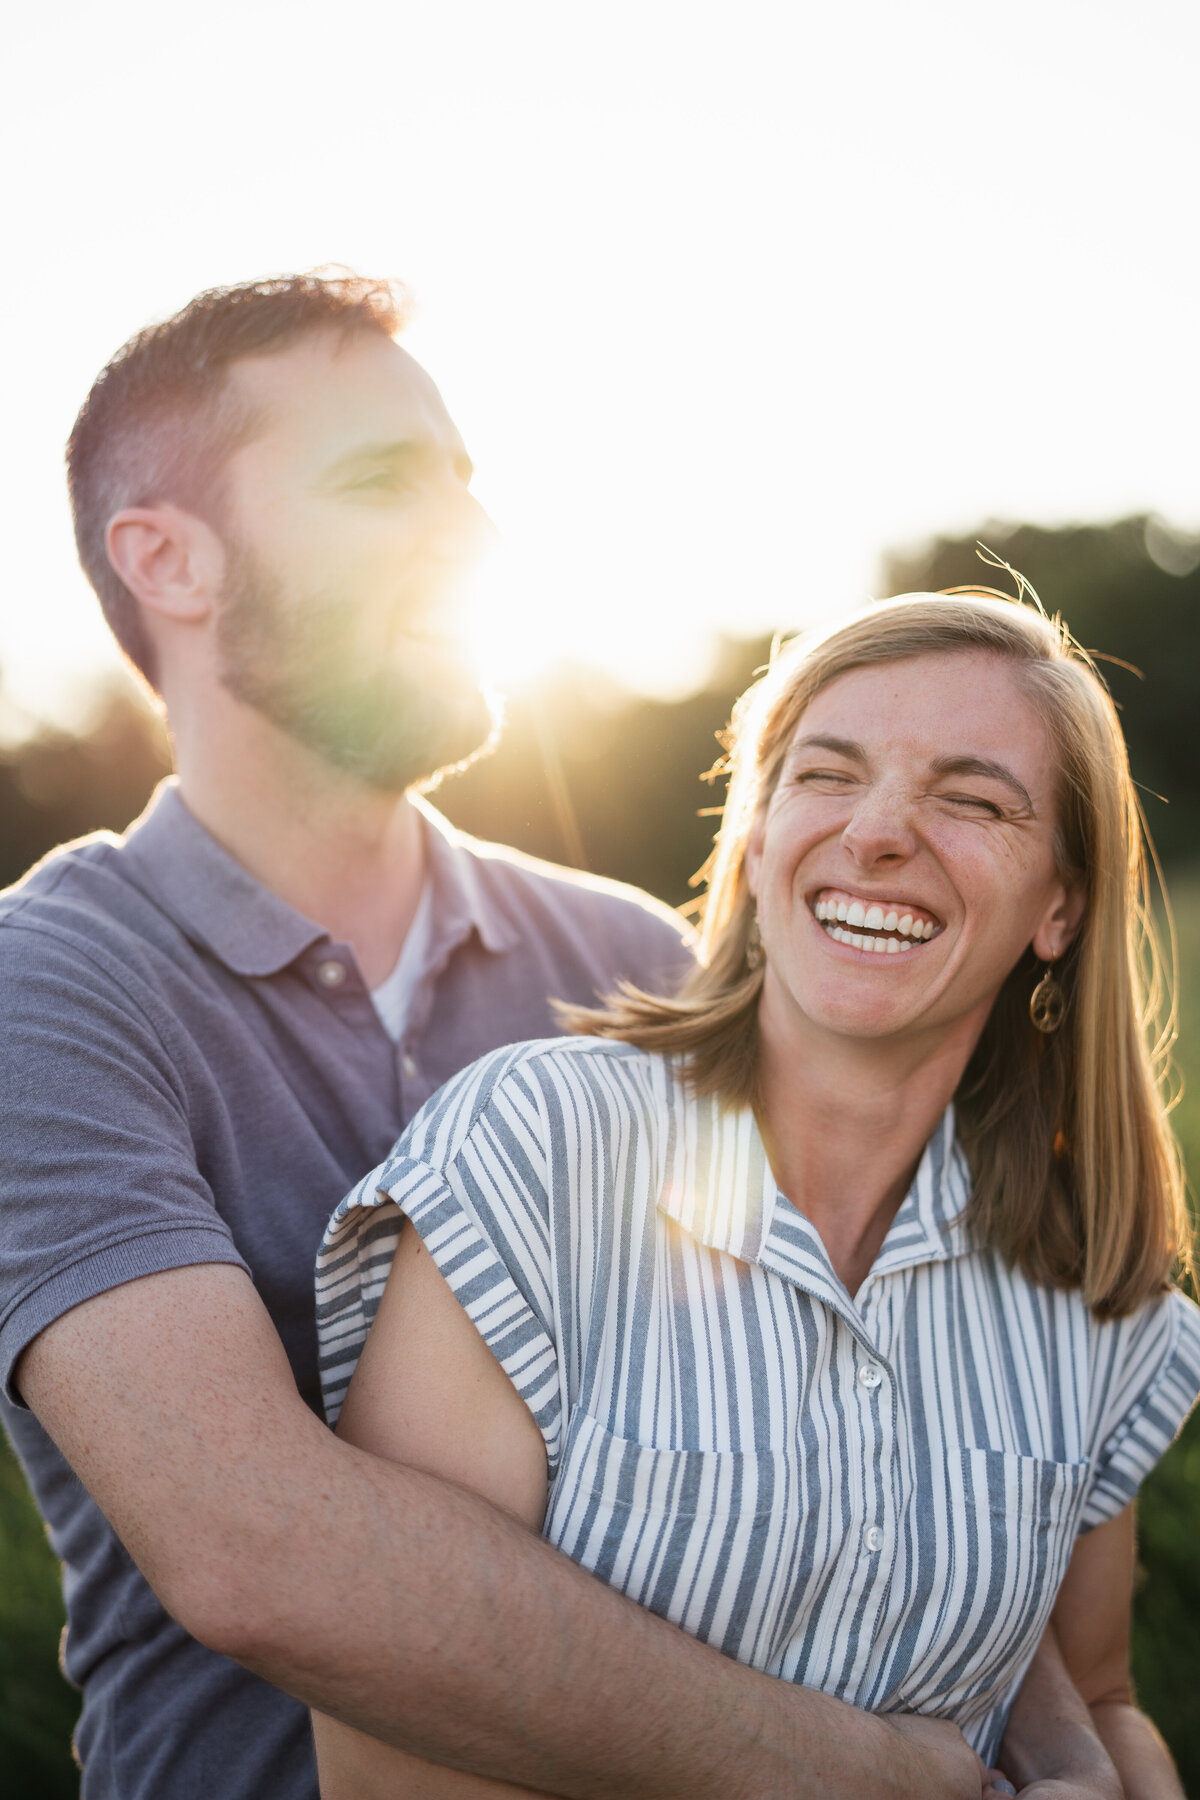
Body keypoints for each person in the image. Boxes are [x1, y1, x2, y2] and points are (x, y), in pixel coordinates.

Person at [2, 271, 1016, 1800]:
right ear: (171, 559)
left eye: (466, 483)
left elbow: (881, 1435)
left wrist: (1068, 1737)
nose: (472, 536)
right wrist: (868, 1773)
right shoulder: (50, 993)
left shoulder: (637, 959)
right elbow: (255, 1552)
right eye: (380, 481)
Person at [314, 591, 1200, 1799]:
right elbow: (388, 1743)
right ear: (756, 836)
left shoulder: (1094, 1291)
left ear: (1062, 906)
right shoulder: (535, 1149)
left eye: (973, 798)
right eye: (827, 774)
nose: (879, 832)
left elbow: (1095, 1696)